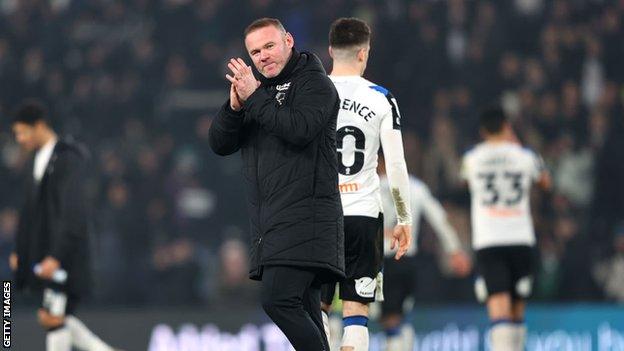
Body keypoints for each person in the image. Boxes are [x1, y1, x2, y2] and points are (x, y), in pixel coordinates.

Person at [208, 18, 344, 351]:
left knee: (276, 299)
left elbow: (298, 130)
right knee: (307, 310)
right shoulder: (259, 94)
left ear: (288, 40)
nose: (263, 56)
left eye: (269, 46)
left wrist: (253, 98)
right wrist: (234, 107)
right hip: (273, 223)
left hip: (307, 219)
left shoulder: (316, 84)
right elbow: (220, 143)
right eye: (255, 52)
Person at [320, 17, 412, 351]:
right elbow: (397, 165)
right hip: (363, 216)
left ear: (330, 50)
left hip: (319, 217)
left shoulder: (312, 94)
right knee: (356, 313)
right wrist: (404, 218)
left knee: (317, 310)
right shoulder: (381, 98)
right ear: (364, 53)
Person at [10, 100, 119, 351]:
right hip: (46, 257)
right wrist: (22, 251)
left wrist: (57, 257)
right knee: (55, 318)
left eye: (22, 132)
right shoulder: (35, 162)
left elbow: (73, 213)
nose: (19, 139)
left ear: (38, 126)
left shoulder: (68, 159)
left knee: (53, 318)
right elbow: (30, 215)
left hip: (64, 259)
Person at [460, 106, 551, 351]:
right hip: (520, 238)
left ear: (482, 130)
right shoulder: (525, 156)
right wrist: (516, 145)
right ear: (507, 126)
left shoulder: (471, 158)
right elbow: (545, 182)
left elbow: (464, 182)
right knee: (516, 309)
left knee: (498, 309)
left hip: (489, 240)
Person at [378, 156, 472, 351]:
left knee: (388, 319)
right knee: (402, 315)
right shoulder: (417, 187)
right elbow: (439, 219)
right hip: (407, 260)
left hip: (382, 260)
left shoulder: (373, 186)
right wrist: (455, 250)